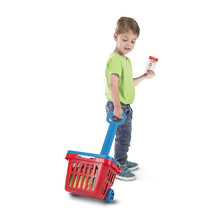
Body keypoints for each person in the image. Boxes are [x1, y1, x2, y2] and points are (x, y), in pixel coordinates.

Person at [105, 17, 155, 181]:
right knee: (122, 136)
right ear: (115, 37)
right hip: (118, 105)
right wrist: (117, 107)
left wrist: (144, 77)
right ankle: (119, 165)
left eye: (133, 41)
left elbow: (128, 84)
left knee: (125, 136)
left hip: (125, 106)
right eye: (125, 39)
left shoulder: (126, 60)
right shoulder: (115, 60)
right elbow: (113, 84)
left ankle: (122, 159)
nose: (129, 44)